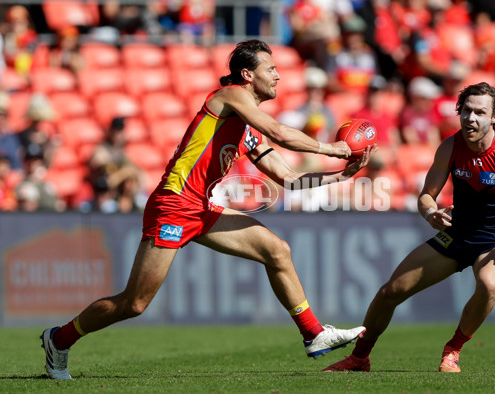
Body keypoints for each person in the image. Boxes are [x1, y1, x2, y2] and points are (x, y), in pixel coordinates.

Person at [41, 39, 373, 380]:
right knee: (134, 304)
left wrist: (340, 176)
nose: (277, 76)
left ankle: (313, 333)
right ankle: (59, 338)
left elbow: (288, 179)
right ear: (247, 75)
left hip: (200, 207)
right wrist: (333, 148)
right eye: (270, 69)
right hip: (173, 204)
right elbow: (279, 132)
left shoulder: (245, 128)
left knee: (277, 250)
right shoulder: (229, 96)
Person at [322, 82, 495, 373]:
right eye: (466, 111)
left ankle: (453, 350)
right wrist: (430, 213)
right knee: (390, 292)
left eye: (479, 113)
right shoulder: (450, 146)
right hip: (458, 234)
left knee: (488, 283)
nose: (471, 119)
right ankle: (359, 358)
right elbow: (426, 195)